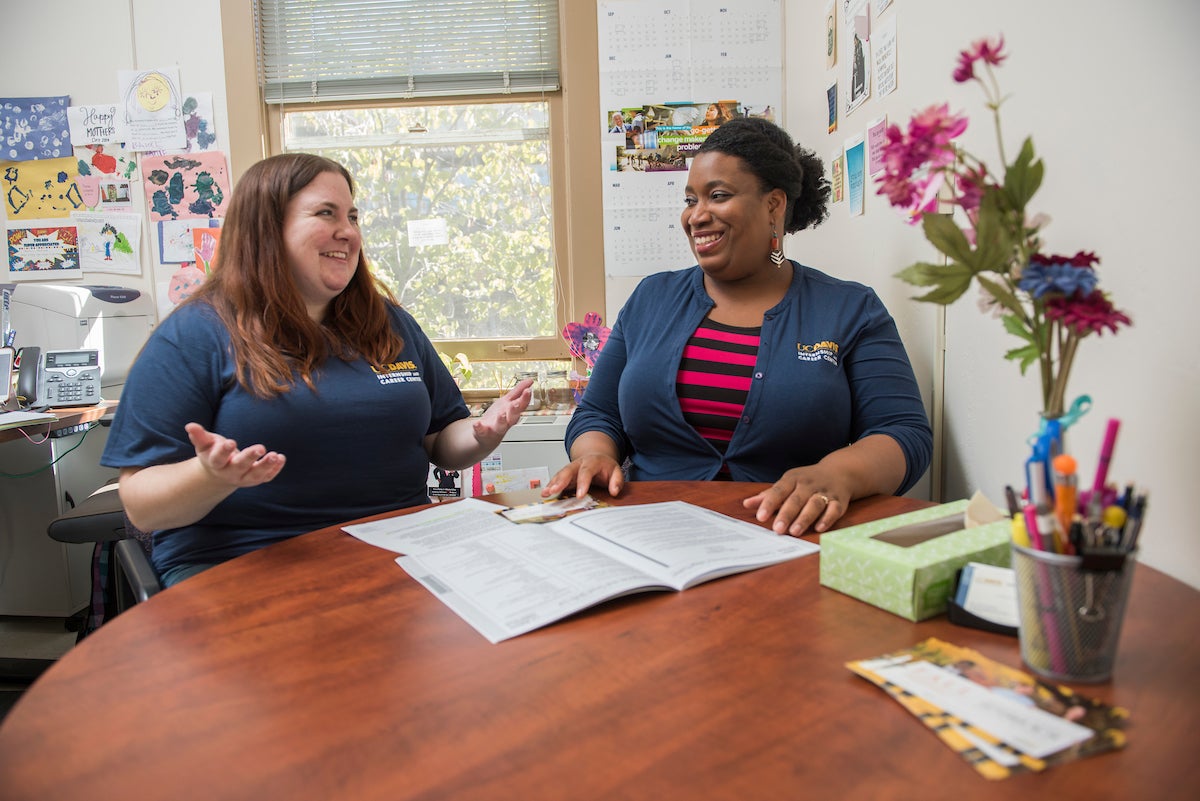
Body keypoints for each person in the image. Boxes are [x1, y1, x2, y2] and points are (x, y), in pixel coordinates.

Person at [102, 153, 532, 587]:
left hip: (400, 553)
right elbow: (142, 504)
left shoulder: (388, 322)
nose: (348, 231)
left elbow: (442, 440)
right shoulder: (195, 334)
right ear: (266, 228)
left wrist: (481, 433)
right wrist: (209, 477)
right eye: (326, 213)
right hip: (247, 564)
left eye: (353, 216)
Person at [544, 117, 932, 537]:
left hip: (789, 538)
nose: (697, 216)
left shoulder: (850, 309)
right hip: (649, 537)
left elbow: (903, 431)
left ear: (774, 206)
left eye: (718, 196)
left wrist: (838, 473)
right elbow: (599, 412)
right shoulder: (650, 299)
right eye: (691, 200)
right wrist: (596, 453)